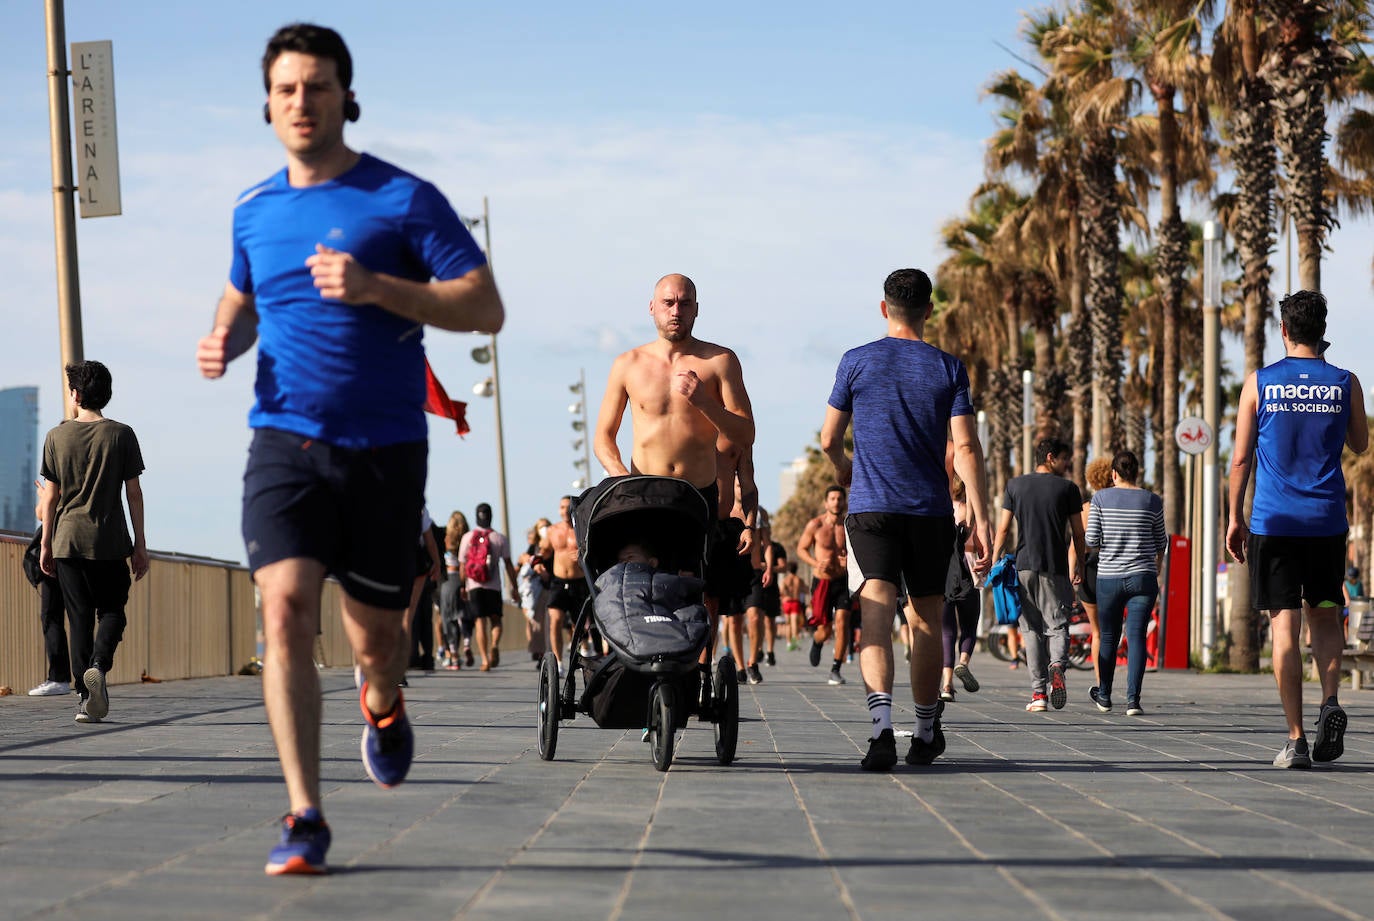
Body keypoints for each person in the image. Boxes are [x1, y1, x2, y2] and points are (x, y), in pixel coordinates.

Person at [195, 23, 503, 875]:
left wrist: (377, 288)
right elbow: (244, 292)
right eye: (287, 88)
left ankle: (384, 699)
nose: (302, 101)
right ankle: (304, 814)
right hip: (284, 438)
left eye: (318, 86)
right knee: (285, 607)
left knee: (375, 639)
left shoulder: (402, 199)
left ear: (345, 95)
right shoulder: (254, 208)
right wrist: (225, 334)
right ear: (268, 102)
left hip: (385, 448)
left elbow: (484, 306)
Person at [820, 268, 991, 770]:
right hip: (930, 513)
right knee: (924, 619)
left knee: (875, 614)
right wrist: (978, 516)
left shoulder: (856, 362)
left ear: (883, 308)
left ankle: (879, 735)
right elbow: (965, 447)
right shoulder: (948, 368)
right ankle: (925, 731)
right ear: (929, 310)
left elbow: (829, 438)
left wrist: (845, 469)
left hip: (871, 509)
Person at [594, 272, 754, 700]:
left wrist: (704, 402)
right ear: (652, 307)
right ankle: (639, 673)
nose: (676, 311)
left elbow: (745, 434)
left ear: (696, 309)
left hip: (696, 497)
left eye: (684, 303)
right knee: (639, 587)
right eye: (668, 302)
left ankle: (695, 676)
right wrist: (619, 477)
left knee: (698, 592)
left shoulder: (720, 361)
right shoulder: (628, 363)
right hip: (644, 497)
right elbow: (603, 437)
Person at [1227, 290, 1368, 769]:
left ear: (1283, 330)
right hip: (1325, 525)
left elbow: (1242, 458)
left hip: (1274, 523)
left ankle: (1296, 740)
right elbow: (1360, 444)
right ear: (1322, 329)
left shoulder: (1260, 384)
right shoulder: (1345, 382)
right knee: (1326, 616)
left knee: (1283, 627)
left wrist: (1233, 518)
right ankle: (1330, 701)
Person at [38, 361, 149, 724]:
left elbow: (50, 497)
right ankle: (99, 666)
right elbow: (134, 493)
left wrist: (45, 545)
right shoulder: (122, 435)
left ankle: (85, 700)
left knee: (79, 618)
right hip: (110, 540)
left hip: (67, 540)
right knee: (113, 610)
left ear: (75, 394)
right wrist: (140, 544)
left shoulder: (56, 436)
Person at [991, 437, 1085, 713]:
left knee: (1030, 630)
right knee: (1056, 626)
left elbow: (1004, 529)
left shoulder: (1015, 485)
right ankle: (1057, 665)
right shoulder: (1068, 489)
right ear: (1051, 457)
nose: (1068, 464)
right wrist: (1077, 562)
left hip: (1023, 566)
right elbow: (1078, 532)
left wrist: (996, 558)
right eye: (1065, 459)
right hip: (1054, 567)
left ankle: (1038, 694)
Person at [1085, 450, 1166, 716]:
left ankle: (1105, 696)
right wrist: (1158, 565)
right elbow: (1160, 541)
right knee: (1137, 637)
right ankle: (1133, 701)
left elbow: (1092, 539)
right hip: (1143, 577)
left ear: (1114, 474)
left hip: (1109, 578)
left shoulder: (1100, 498)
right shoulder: (1152, 500)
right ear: (1137, 472)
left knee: (1108, 636)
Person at [796, 486, 851, 686]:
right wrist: (815, 563)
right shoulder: (816, 525)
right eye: (832, 499)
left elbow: (861, 550)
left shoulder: (849, 524)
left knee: (843, 621)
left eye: (839, 498)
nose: (836, 502)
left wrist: (851, 561)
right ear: (826, 502)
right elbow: (801, 549)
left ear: (844, 502)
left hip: (843, 580)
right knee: (825, 629)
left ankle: (836, 668)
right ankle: (818, 641)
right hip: (822, 581)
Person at [458, 503, 520, 670]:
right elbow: (508, 564)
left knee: (479, 622)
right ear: (491, 516)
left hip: (474, 586)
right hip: (493, 587)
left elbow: (463, 566)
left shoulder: (467, 538)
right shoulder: (499, 538)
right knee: (496, 620)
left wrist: (462, 586)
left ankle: (485, 660)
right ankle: (494, 645)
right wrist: (514, 587)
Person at [26, 480, 72, 697]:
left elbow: (43, 514)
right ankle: (88, 674)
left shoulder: (56, 467)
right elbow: (41, 512)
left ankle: (59, 677)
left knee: (51, 615)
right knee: (80, 614)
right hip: (76, 548)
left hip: (55, 550)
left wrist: (45, 495)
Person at [939, 477, 981, 703]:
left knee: (947, 632)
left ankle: (946, 684)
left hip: (944, 575)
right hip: (967, 574)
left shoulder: (939, 511)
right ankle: (963, 663)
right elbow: (982, 543)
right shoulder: (970, 512)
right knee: (969, 627)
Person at [1075, 456, 1114, 688]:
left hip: (1089, 568)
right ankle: (1108, 679)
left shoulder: (1085, 508)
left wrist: (1074, 570)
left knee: (1097, 632)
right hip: (1112, 567)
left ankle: (1101, 682)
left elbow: (1077, 544)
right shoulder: (1116, 505)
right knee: (1111, 629)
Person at [543, 497, 587, 672]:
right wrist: (536, 563)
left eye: (568, 507)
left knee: (579, 624)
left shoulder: (582, 529)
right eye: (562, 507)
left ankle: (582, 655)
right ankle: (559, 662)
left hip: (579, 582)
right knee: (555, 620)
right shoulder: (552, 531)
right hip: (559, 581)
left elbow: (595, 549)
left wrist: (583, 552)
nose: (565, 511)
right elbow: (543, 551)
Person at [438, 511, 470, 669]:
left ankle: (454, 657)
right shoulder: (467, 538)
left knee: (447, 618)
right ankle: (466, 642)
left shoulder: (447, 538)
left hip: (448, 579)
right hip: (463, 578)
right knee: (463, 614)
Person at [517, 519, 551, 665]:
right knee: (537, 622)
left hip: (551, 586)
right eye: (541, 527)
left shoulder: (553, 544)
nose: (544, 529)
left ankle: (546, 652)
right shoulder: (534, 547)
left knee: (547, 623)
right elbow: (521, 561)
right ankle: (540, 652)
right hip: (538, 589)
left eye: (546, 526)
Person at [780, 561, 805, 651]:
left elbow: (781, 591)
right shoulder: (798, 580)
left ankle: (788, 642)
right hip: (795, 602)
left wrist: (786, 593)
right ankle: (795, 640)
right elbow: (805, 589)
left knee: (788, 623)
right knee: (794, 622)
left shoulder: (785, 580)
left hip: (786, 602)